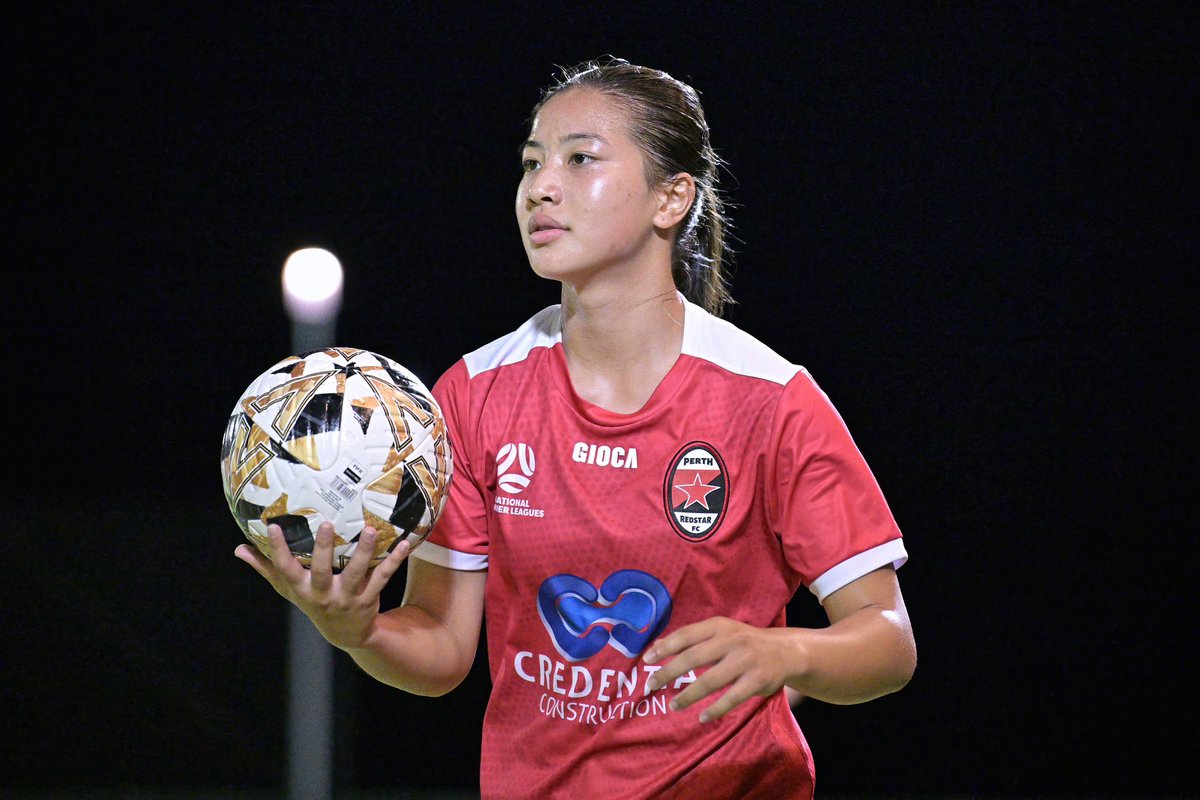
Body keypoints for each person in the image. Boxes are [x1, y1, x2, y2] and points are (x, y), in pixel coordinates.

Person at [236, 57, 916, 799]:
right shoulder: (472, 395)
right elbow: (442, 647)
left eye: (580, 158)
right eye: (532, 163)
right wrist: (356, 632)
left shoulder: (770, 401)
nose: (540, 186)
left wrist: (786, 653)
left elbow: (887, 640)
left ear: (672, 198)